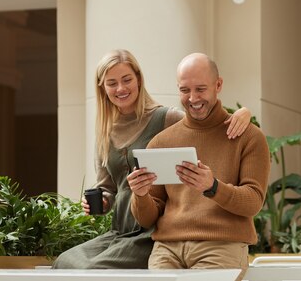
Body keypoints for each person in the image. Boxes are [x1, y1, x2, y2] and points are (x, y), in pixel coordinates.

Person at [53, 49, 251, 269]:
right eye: (112, 83)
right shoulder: (105, 131)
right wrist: (102, 201)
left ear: (138, 79)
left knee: (93, 270)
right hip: (119, 231)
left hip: (151, 232)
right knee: (64, 262)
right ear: (102, 87)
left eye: (127, 79)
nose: (121, 88)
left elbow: (203, 120)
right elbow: (108, 187)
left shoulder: (165, 118)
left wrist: (243, 113)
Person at [128, 53, 270, 281]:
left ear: (218, 85)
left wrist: (212, 187)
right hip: (167, 248)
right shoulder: (160, 142)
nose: (193, 98)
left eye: (201, 89)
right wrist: (141, 195)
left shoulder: (249, 137)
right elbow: (147, 219)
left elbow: (253, 202)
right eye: (185, 90)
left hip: (221, 246)